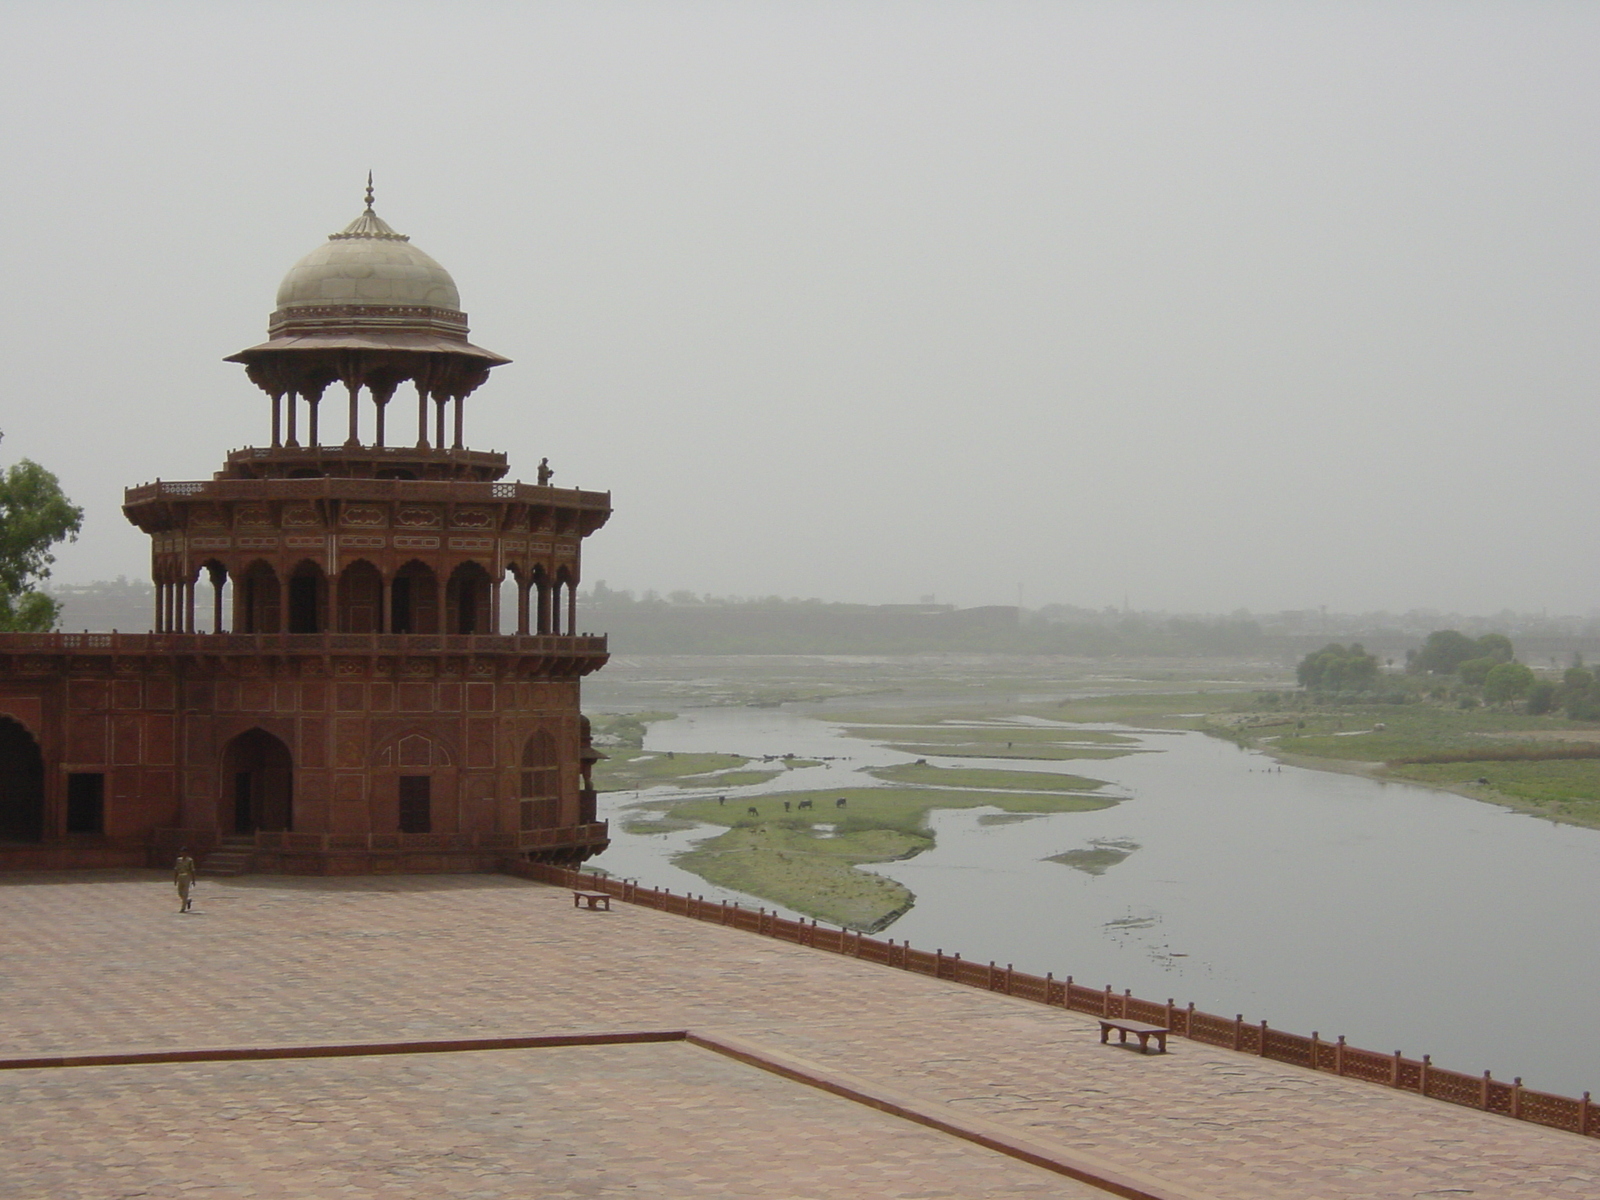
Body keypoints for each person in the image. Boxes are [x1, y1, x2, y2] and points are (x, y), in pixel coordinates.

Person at [174, 848, 197, 913]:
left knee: (185, 892)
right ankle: (187, 901)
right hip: (180, 876)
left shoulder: (189, 860)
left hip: (187, 876)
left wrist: (193, 880)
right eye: (182, 852)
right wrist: (175, 879)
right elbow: (176, 869)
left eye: (184, 852)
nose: (183, 853)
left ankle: (183, 908)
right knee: (180, 892)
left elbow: (192, 870)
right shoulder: (178, 860)